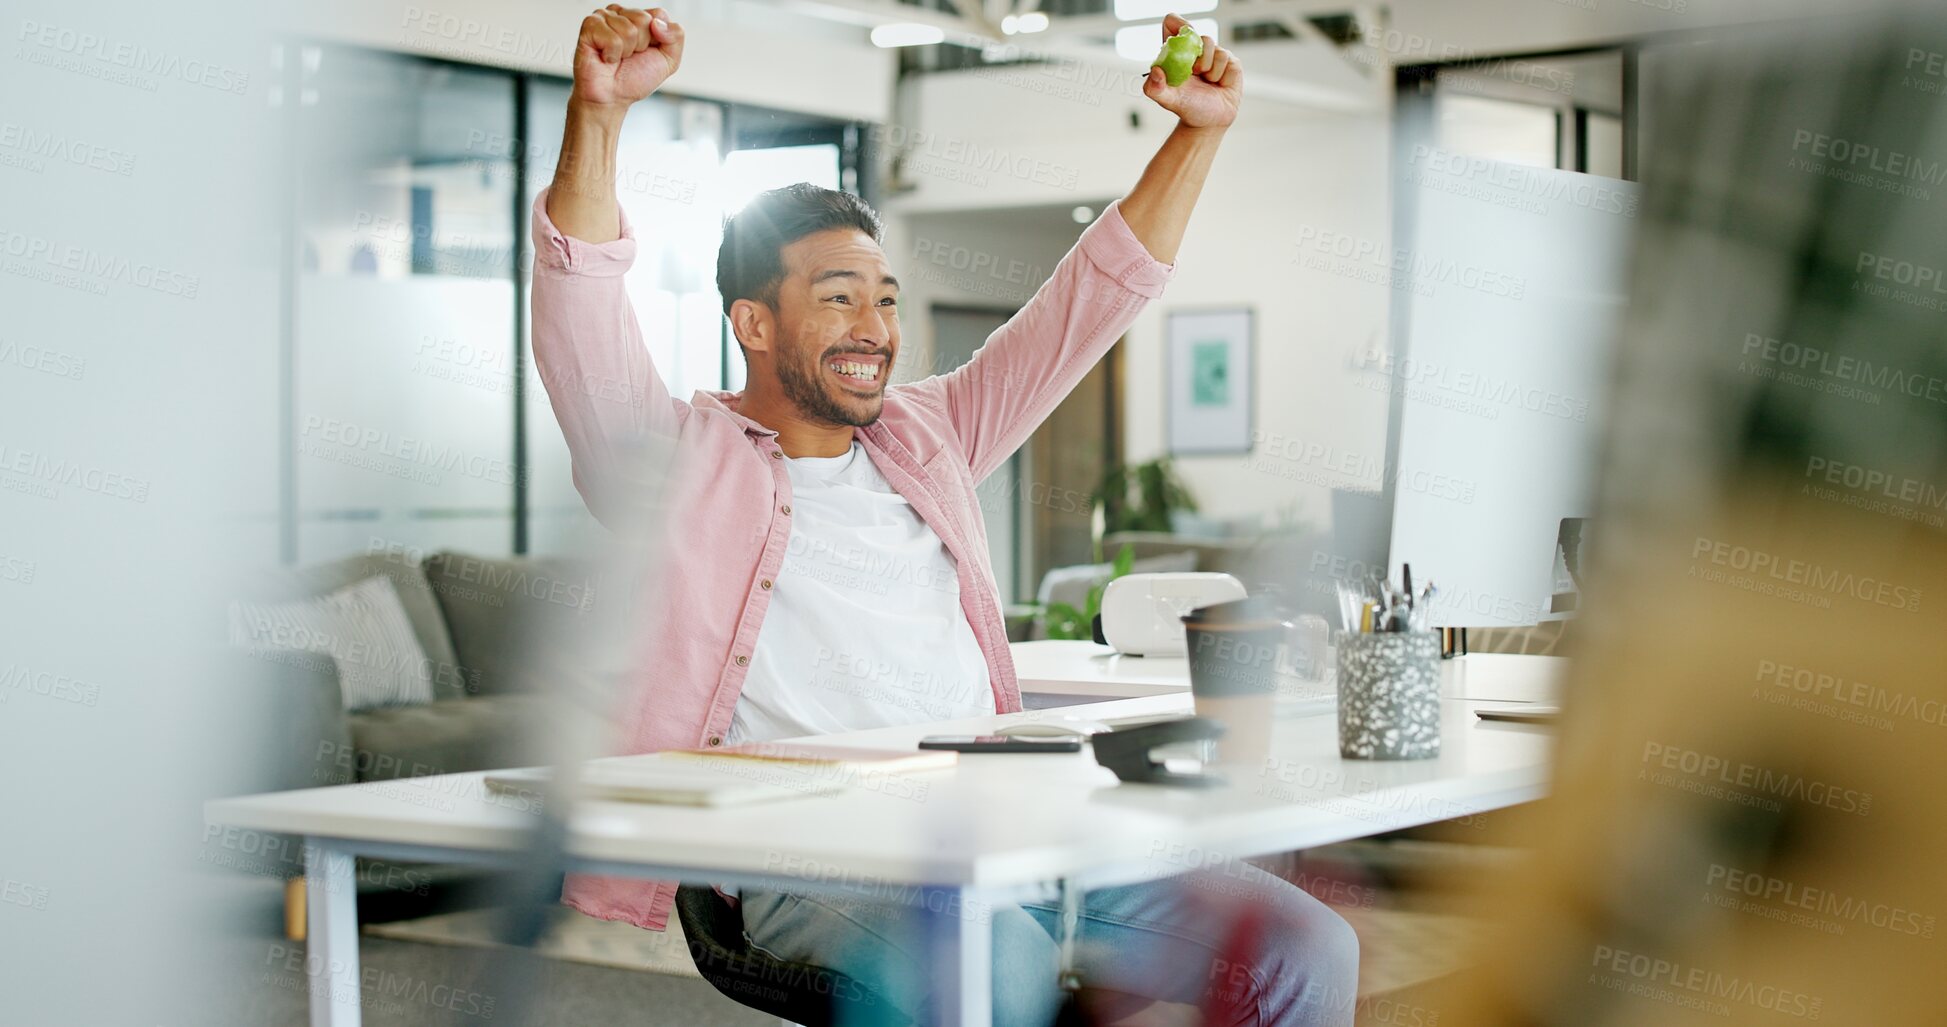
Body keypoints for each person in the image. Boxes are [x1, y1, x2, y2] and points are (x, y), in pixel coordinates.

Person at [530, 6, 1358, 1023]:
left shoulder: (934, 434)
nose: (875, 329)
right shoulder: (671, 463)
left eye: (885, 299)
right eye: (838, 298)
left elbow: (1089, 301)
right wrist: (598, 113)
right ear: (752, 322)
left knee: (1303, 945)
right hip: (814, 861)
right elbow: (579, 298)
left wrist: (1199, 133)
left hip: (1012, 829)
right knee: (993, 965)